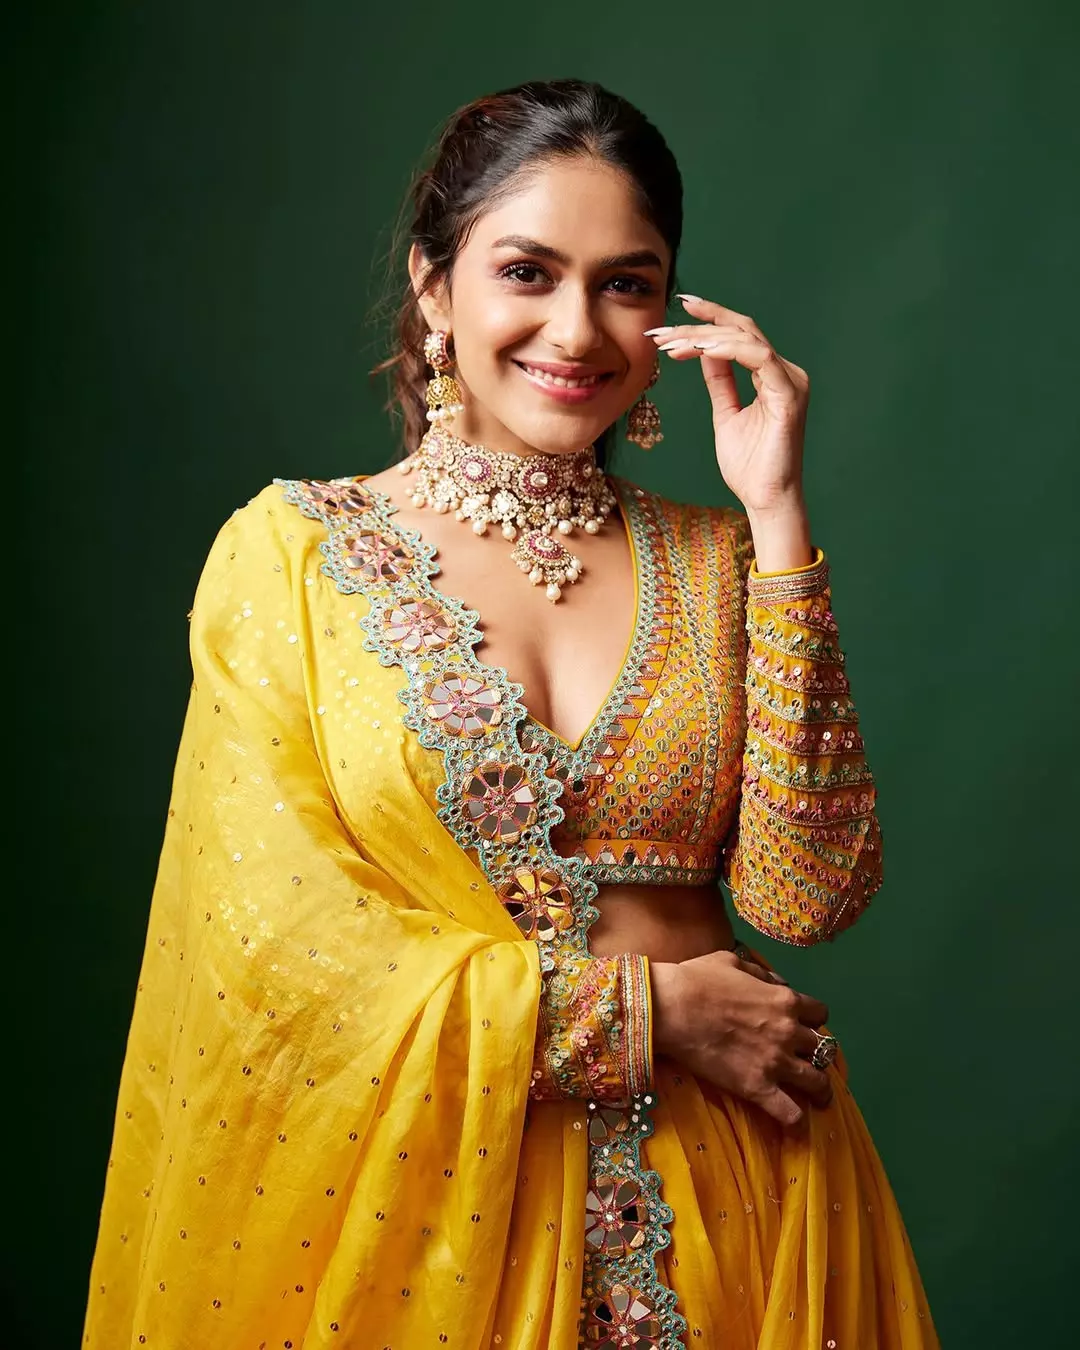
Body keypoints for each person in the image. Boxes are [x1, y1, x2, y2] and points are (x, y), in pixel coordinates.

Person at [83, 78, 938, 1349]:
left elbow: (806, 898)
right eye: (527, 272)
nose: (577, 330)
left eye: (627, 285)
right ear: (434, 285)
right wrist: (647, 1015)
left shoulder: (723, 559)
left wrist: (776, 519)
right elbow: (273, 953)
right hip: (426, 1221)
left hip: (739, 1210)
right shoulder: (296, 559)